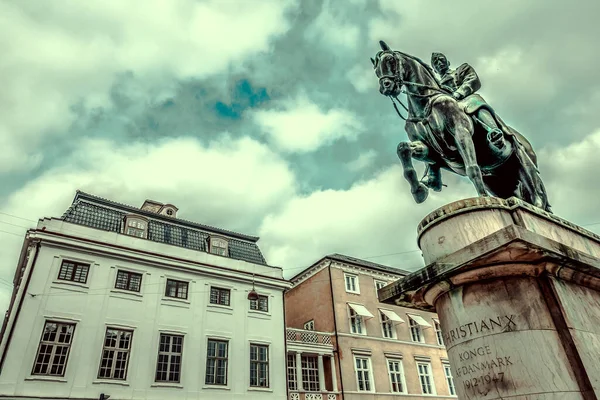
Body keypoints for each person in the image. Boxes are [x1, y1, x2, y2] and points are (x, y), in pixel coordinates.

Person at [430, 52, 509, 154]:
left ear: (448, 62)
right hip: (449, 110)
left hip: (465, 99)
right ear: (435, 70)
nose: (439, 63)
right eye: (435, 62)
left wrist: (458, 93)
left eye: (441, 59)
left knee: (475, 103)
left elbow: (473, 79)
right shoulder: (436, 87)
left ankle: (494, 132)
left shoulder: (462, 70)